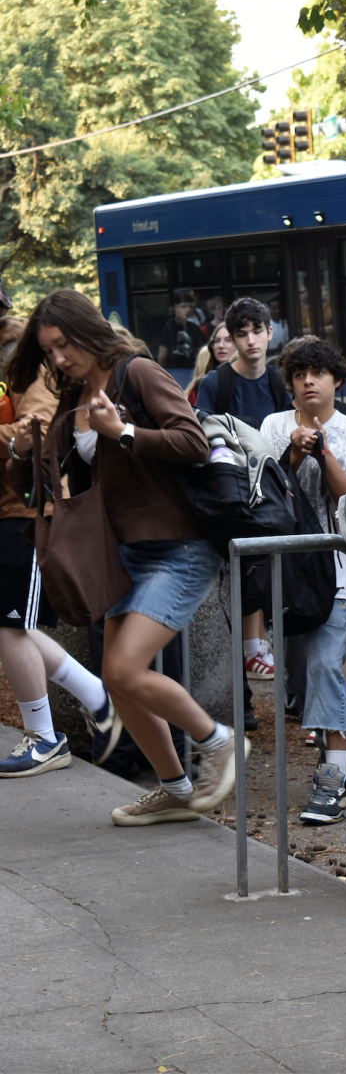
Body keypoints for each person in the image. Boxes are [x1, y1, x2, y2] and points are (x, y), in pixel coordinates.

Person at [6, 289, 248, 825]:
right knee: (117, 678)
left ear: (87, 332)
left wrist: (125, 432)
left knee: (120, 667)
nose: (59, 358)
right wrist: (22, 453)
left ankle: (221, 742)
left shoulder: (135, 372)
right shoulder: (75, 396)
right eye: (49, 351)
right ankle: (178, 791)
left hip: (179, 550)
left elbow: (192, 441)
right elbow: (41, 485)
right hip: (125, 555)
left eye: (64, 344)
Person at [0, 315, 122, 776]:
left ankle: (45, 738)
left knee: (10, 627)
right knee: (14, 626)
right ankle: (96, 697)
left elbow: (39, 426)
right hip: (11, 511)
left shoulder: (19, 358)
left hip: (23, 512)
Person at [260, 339, 346, 823]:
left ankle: (335, 779)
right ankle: (331, 760)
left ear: (336, 379)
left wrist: (323, 454)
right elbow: (262, 495)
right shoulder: (272, 427)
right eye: (299, 373)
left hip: (340, 572)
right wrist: (293, 454)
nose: (308, 380)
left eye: (318, 372)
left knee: (326, 665)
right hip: (287, 573)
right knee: (303, 680)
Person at [196, 299, 291, 700]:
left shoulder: (277, 381)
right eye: (242, 333)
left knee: (267, 582)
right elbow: (200, 437)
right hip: (229, 499)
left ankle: (270, 667)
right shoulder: (217, 384)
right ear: (232, 339)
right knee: (231, 589)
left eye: (258, 331)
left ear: (271, 332)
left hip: (270, 495)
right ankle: (240, 697)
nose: (251, 340)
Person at [157, 290, 205, 369]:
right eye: (183, 306)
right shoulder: (168, 327)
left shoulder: (194, 328)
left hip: (191, 370)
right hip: (173, 370)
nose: (187, 310)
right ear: (174, 308)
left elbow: (202, 353)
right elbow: (162, 355)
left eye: (190, 307)